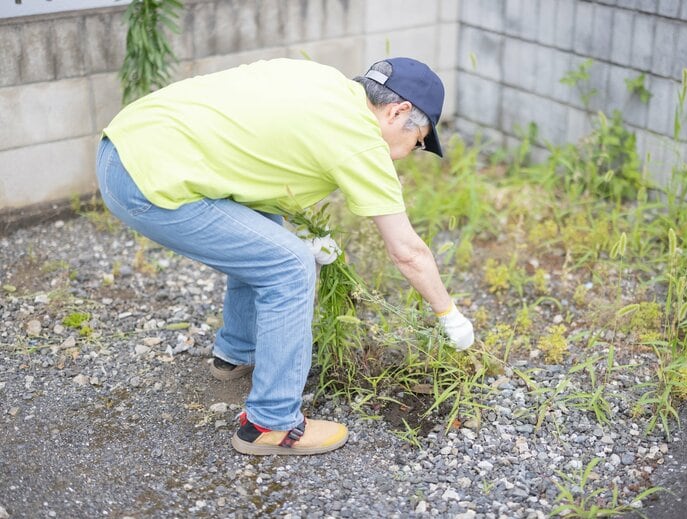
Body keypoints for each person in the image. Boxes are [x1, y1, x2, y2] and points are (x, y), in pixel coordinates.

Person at [96, 57, 475, 456]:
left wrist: (308, 233)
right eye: (417, 143)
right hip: (145, 179)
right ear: (398, 113)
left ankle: (235, 354)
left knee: (267, 234)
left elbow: (267, 166)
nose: (407, 154)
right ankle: (271, 424)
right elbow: (408, 252)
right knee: (289, 266)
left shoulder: (324, 80)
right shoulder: (361, 138)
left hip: (126, 141)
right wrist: (448, 314)